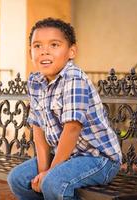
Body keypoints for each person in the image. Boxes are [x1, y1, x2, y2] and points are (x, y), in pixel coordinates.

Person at [7, 17, 122, 200]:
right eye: (37, 46)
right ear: (30, 53)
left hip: (98, 159)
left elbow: (72, 129)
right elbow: (38, 128)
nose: (45, 51)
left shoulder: (74, 79)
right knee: (17, 179)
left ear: (71, 51)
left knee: (53, 182)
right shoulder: (35, 81)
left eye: (54, 45)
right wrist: (44, 170)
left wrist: (50, 174)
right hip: (64, 157)